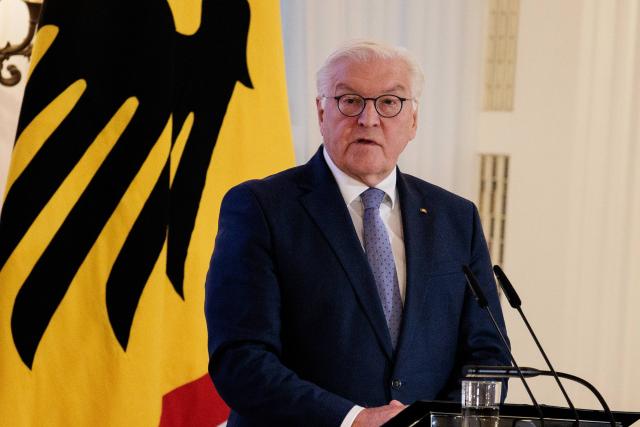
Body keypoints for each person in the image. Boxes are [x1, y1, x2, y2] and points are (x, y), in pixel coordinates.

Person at [205, 40, 510, 427]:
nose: (368, 119)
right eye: (349, 101)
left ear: (413, 120)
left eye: (389, 103)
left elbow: (488, 354)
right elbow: (241, 359)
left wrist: (435, 422)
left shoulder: (455, 217)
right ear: (321, 111)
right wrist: (353, 419)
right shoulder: (261, 208)